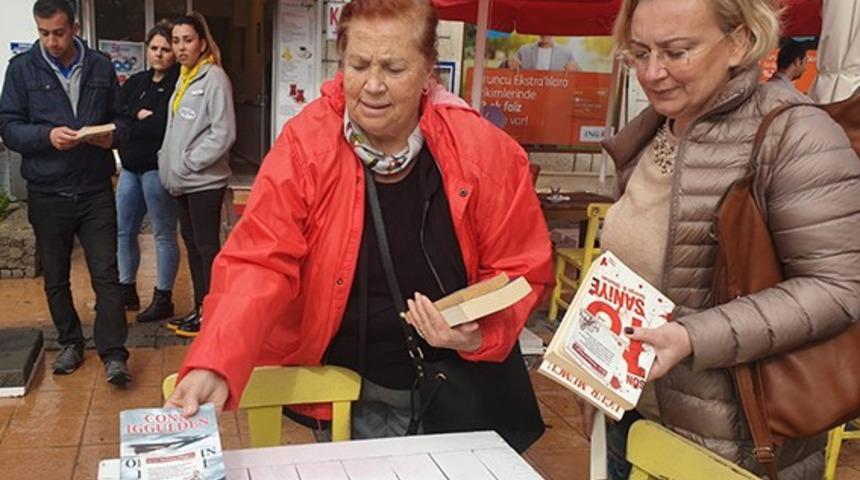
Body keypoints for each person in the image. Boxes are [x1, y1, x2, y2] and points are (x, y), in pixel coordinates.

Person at [164, 0, 552, 443]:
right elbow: (259, 260)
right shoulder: (306, 145)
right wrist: (215, 361)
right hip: (342, 386)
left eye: (394, 68)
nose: (373, 86)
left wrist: (480, 334)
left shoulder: (483, 151)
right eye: (359, 65)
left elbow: (521, 269)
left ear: (428, 70)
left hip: (453, 390)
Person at [588, 0, 860, 478]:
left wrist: (693, 336)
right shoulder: (655, 131)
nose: (652, 73)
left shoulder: (794, 133)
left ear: (739, 42)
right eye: (640, 52)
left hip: (732, 443)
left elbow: (839, 289)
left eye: (676, 52)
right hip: (630, 417)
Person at [0, 0, 132, 385]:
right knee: (56, 276)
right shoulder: (21, 69)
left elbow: (122, 120)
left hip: (94, 189)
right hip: (47, 190)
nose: (51, 41)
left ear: (74, 28)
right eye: (43, 33)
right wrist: (47, 136)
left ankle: (114, 354)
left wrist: (111, 136)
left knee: (106, 274)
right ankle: (71, 342)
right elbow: (8, 127)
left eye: (58, 33)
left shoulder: (101, 66)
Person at [159, 12, 236, 338]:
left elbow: (224, 132)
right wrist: (168, 160)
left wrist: (189, 162)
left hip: (204, 182)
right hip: (182, 182)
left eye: (187, 40)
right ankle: (200, 307)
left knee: (207, 248)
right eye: (176, 41)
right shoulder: (184, 77)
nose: (180, 47)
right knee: (193, 246)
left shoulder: (214, 78)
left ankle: (212, 313)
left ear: (202, 43)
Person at [116, 22, 180, 324]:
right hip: (129, 169)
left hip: (157, 169)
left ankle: (163, 297)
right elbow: (118, 115)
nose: (159, 54)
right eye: (154, 48)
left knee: (163, 234)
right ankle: (126, 289)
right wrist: (135, 116)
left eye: (166, 49)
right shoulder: (136, 82)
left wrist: (135, 122)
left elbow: (162, 125)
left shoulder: (179, 84)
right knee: (124, 230)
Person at [509, 36, 578, 72]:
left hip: (555, 93)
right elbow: (505, 67)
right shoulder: (524, 50)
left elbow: (580, 75)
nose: (545, 32)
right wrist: (508, 63)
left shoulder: (566, 53)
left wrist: (575, 68)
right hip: (529, 92)